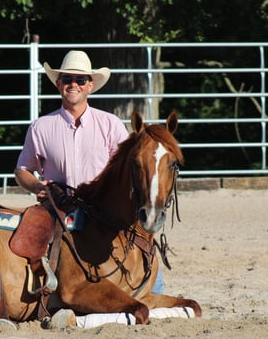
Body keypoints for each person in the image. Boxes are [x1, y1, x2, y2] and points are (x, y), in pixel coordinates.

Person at [14, 49, 166, 294]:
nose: (73, 84)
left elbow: (127, 170)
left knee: (140, 252)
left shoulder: (110, 124)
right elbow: (22, 171)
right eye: (67, 79)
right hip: (59, 208)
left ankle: (152, 288)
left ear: (90, 85)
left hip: (103, 210)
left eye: (80, 80)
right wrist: (38, 187)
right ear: (58, 83)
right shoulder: (40, 127)